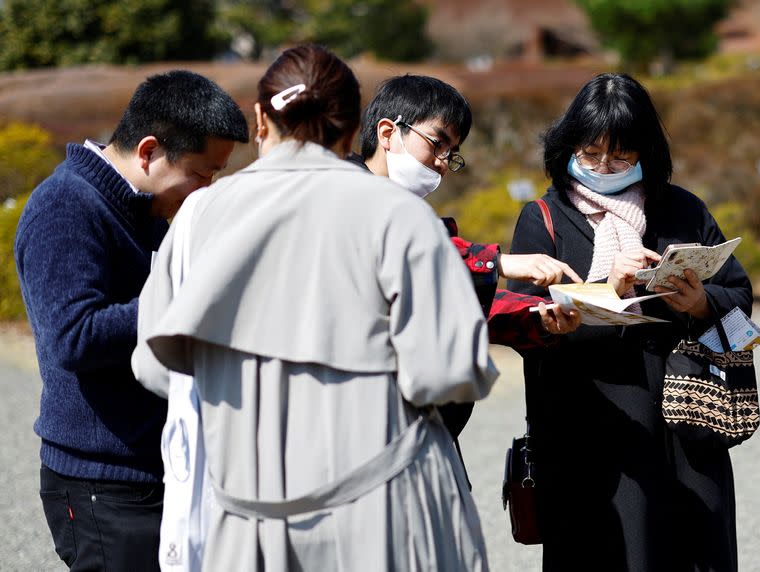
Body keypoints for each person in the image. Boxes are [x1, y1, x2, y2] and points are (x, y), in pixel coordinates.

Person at [132, 45, 498, 571]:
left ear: (261, 120)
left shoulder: (199, 215)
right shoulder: (402, 217)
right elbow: (450, 373)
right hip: (384, 510)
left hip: (249, 515)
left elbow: (153, 364)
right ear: (355, 133)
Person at [507, 72, 752, 571]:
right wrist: (607, 293)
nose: (603, 166)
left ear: (647, 153)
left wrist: (699, 303)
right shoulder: (544, 217)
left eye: (621, 156)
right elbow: (521, 321)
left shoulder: (683, 209)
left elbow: (741, 301)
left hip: (686, 429)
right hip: (587, 437)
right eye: (591, 152)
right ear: (567, 145)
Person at [14, 70, 248, 571]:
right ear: (148, 152)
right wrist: (188, 298)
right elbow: (74, 337)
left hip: (152, 468)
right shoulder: (65, 206)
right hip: (102, 481)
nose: (206, 190)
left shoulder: (147, 210)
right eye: (203, 174)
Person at [352, 74, 582, 449]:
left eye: (452, 152)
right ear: (387, 133)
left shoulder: (415, 217)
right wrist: (499, 262)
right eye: (437, 143)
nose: (443, 163)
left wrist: (538, 316)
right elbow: (421, 263)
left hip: (423, 434)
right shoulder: (345, 199)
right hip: (365, 432)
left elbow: (454, 300)